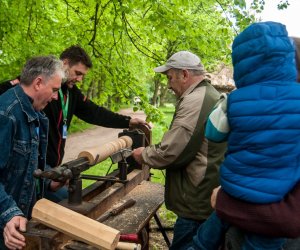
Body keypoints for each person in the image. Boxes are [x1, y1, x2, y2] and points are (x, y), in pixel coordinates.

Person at [189, 22, 300, 250]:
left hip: (233, 187)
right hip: (276, 192)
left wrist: (226, 105)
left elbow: (213, 132)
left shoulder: (236, 99)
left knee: (207, 234)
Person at [1, 45, 149, 202]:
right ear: (64, 64)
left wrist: (128, 121)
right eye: (77, 73)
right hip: (29, 167)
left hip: (49, 170)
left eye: (83, 76)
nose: (80, 79)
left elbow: (95, 113)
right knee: (67, 201)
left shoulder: (71, 93)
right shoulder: (33, 87)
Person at [132, 51, 227, 250]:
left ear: (184, 75)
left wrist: (144, 155)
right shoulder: (206, 94)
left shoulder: (195, 100)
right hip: (203, 195)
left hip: (196, 202)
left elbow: (173, 150)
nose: (168, 84)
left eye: (170, 77)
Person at [0, 55, 64, 250]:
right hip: (6, 224)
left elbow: (25, 165)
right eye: (54, 90)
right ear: (38, 83)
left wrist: (48, 180)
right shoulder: (6, 114)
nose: (55, 97)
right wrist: (9, 213)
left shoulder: (35, 113)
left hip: (22, 218)